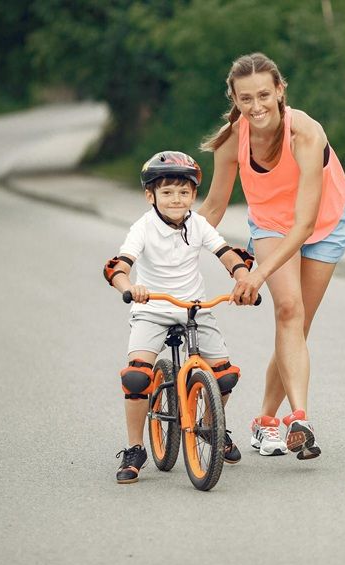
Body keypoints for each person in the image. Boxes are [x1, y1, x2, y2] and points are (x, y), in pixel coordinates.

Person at [198, 52, 345, 460]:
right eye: (246, 98)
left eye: (264, 95)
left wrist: (256, 274)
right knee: (288, 311)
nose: (256, 106)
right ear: (234, 99)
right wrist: (168, 244)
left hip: (323, 222)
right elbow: (213, 207)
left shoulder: (305, 133)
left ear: (280, 90)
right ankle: (300, 418)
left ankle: (265, 418)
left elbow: (304, 224)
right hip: (271, 223)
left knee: (298, 326)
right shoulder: (232, 140)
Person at [104, 151, 254, 483]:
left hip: (194, 307)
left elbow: (227, 254)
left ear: (193, 195)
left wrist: (243, 278)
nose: (176, 199)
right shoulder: (143, 227)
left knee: (225, 376)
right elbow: (119, 266)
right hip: (152, 308)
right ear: (151, 195)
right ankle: (135, 448)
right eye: (167, 192)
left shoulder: (198, 224)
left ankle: (210, 425)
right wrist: (130, 288)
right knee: (136, 377)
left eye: (184, 192)